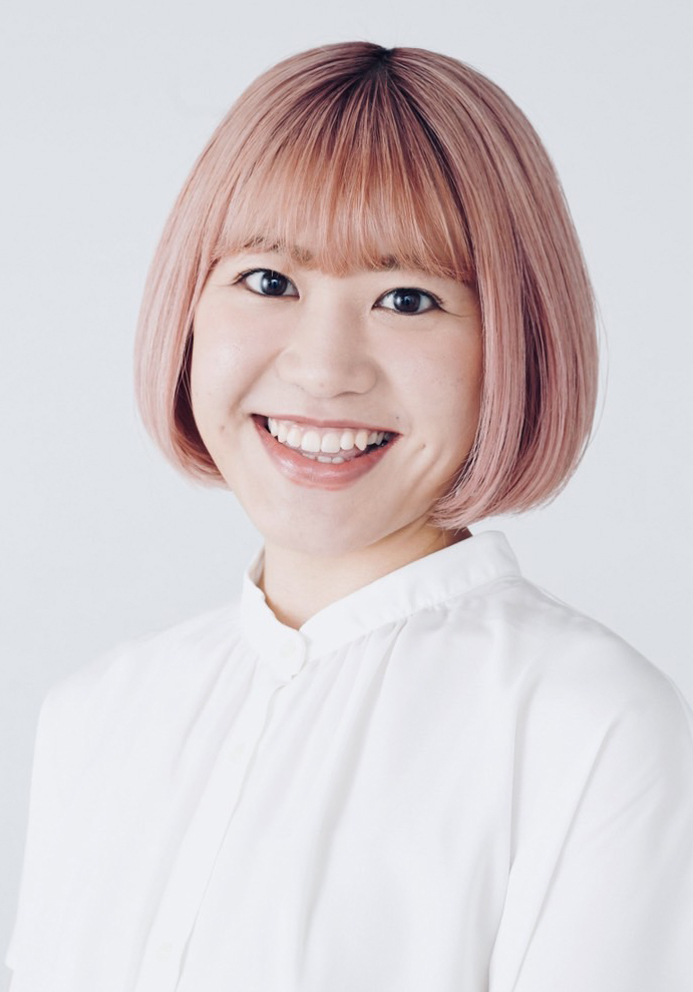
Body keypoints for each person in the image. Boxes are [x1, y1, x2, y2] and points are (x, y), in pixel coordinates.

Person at [5, 41, 693, 992]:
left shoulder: (590, 728)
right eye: (268, 282)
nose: (323, 369)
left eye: (407, 299)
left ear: (516, 343)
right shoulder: (95, 716)